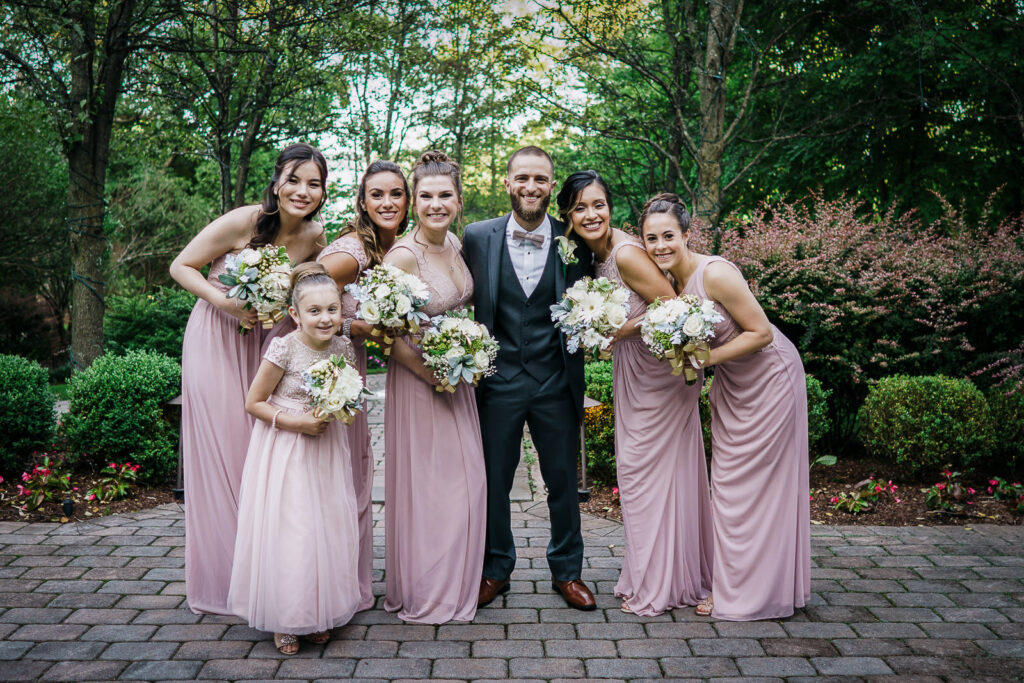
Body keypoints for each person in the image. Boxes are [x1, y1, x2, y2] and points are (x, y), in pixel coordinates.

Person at [170, 143, 328, 615]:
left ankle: (263, 578)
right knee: (224, 455)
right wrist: (224, 301)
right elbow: (181, 266)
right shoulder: (244, 220)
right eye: (294, 179)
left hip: (265, 348)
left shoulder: (315, 236)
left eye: (314, 183)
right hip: (216, 338)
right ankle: (221, 584)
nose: (302, 191)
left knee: (258, 459)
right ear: (276, 180)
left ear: (323, 191)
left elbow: (314, 290)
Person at [639, 192, 810, 621]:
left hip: (771, 381)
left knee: (751, 491)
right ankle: (738, 583)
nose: (660, 246)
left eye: (668, 236)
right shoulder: (671, 283)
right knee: (731, 489)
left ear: (686, 233)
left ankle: (748, 593)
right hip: (734, 387)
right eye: (651, 238)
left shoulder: (713, 274)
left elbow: (762, 333)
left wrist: (706, 360)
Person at [556, 172, 714, 616]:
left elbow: (671, 305)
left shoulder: (625, 253)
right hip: (638, 371)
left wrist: (614, 332)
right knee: (647, 478)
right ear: (568, 215)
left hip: (659, 378)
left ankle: (660, 585)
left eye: (599, 204)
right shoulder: (597, 253)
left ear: (611, 208)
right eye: (581, 208)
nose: (592, 214)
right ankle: (660, 572)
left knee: (647, 480)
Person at [462, 147, 596, 611]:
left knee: (562, 481)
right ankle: (496, 568)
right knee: (494, 481)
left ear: (551, 184)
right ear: (507, 182)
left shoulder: (574, 238)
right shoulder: (477, 237)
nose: (531, 187)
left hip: (555, 380)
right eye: (522, 177)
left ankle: (568, 572)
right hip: (497, 379)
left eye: (541, 179)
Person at [227, 263, 360, 654]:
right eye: (314, 311)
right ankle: (287, 617)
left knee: (325, 525)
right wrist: (297, 422)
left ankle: (318, 611)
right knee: (295, 530)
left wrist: (338, 407)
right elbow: (253, 403)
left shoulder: (343, 347)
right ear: (294, 314)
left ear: (341, 311)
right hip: (287, 447)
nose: (325, 318)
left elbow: (346, 394)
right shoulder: (284, 347)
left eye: (332, 309)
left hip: (326, 448)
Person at [381, 150, 486, 624]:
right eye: (426, 196)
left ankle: (456, 579)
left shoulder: (458, 247)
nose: (436, 204)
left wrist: (468, 357)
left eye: (445, 195)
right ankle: (428, 592)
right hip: (420, 384)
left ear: (459, 201)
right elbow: (380, 330)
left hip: (457, 380)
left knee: (467, 485)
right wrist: (428, 372)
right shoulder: (404, 255)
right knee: (431, 488)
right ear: (414, 202)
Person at [318, 160, 409, 611]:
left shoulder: (395, 248)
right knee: (333, 479)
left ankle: (348, 587)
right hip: (327, 368)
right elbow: (308, 287)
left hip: (350, 369)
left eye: (396, 193)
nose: (388, 202)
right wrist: (355, 325)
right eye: (378, 194)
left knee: (353, 474)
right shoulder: (354, 250)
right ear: (362, 201)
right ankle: (324, 589)